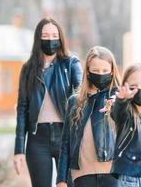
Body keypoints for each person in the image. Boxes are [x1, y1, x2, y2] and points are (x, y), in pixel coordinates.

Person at [13, 17, 83, 187]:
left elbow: (82, 97)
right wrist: (18, 149)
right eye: (45, 35)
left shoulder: (71, 64)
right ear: (38, 38)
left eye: (54, 35)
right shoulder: (28, 68)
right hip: (37, 141)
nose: (50, 39)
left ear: (60, 38)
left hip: (65, 136)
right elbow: (22, 109)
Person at [56, 46, 120, 187]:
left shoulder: (119, 98)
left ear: (112, 72)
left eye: (105, 71)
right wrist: (61, 179)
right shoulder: (75, 102)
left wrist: (118, 105)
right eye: (95, 71)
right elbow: (66, 142)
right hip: (82, 176)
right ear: (88, 72)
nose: (100, 74)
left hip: (113, 174)